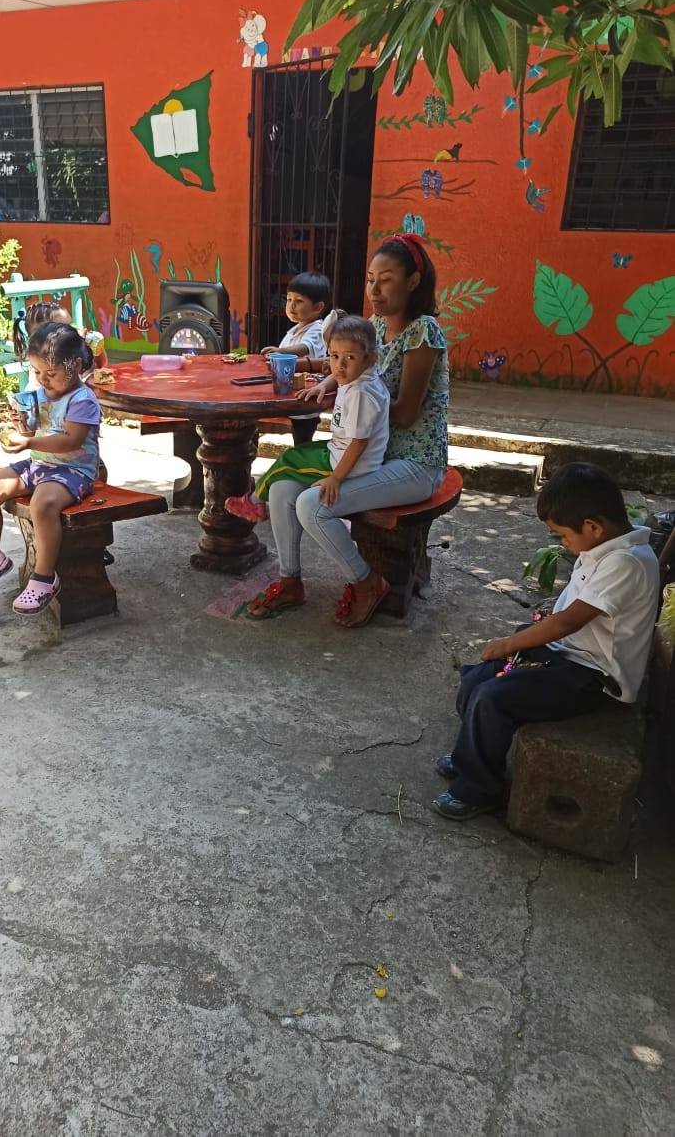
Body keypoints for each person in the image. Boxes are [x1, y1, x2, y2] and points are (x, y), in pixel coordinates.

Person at [433, 463, 660, 821]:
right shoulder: (606, 546)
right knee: (479, 676)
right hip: (569, 652)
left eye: (563, 535)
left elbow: (569, 622)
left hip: (593, 677)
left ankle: (480, 788)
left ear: (593, 526)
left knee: (494, 698)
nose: (563, 544)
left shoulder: (627, 563)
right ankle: (471, 755)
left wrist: (512, 642)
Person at [242, 235, 449, 628]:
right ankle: (290, 581)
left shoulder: (424, 332)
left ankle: (368, 582)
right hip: (373, 456)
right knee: (285, 488)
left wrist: (357, 398)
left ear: (413, 281)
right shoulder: (373, 327)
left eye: (386, 279)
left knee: (311, 504)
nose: (374, 289)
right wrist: (331, 378)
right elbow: (350, 369)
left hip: (414, 464)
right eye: (371, 278)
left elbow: (404, 414)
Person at [0, 323, 102, 616]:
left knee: (42, 504)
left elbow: (70, 440)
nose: (43, 380)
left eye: (50, 374)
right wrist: (21, 424)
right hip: (39, 464)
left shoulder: (83, 399)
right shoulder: (41, 394)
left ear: (75, 365)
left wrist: (27, 442)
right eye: (37, 373)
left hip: (73, 471)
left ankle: (44, 577)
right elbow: (33, 430)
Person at [226, 315, 388, 533]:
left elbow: (359, 443)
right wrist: (324, 385)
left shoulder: (359, 394)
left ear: (369, 358)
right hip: (343, 452)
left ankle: (254, 503)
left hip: (347, 465)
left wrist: (335, 479)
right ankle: (258, 500)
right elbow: (339, 373)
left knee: (288, 460)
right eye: (334, 356)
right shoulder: (364, 377)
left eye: (349, 357)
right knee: (302, 451)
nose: (339, 365)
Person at [260, 271, 339, 447]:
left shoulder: (317, 329)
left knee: (302, 437)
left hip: (306, 396)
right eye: (288, 300)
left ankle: (301, 461)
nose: (291, 306)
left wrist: (280, 351)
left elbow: (304, 348)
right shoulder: (295, 329)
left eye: (299, 301)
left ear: (318, 307)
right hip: (291, 392)